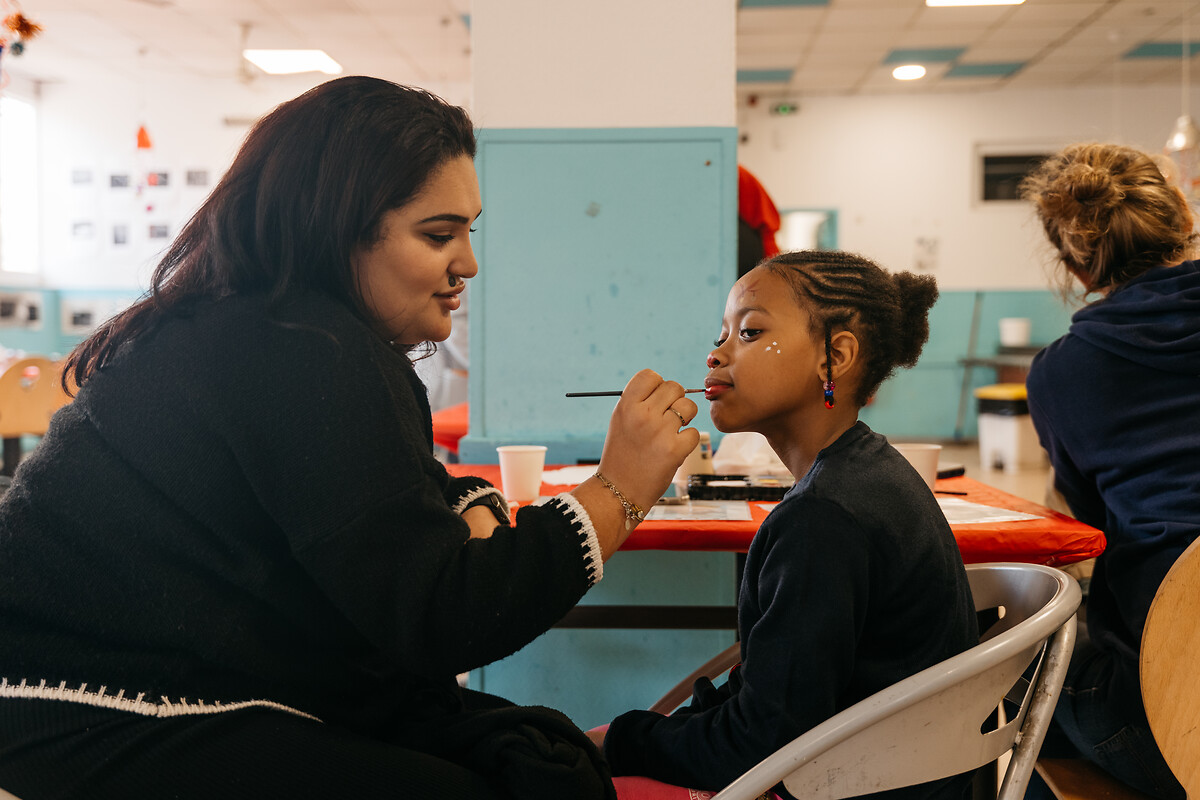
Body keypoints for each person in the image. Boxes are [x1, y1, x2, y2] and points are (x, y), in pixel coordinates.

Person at [0, 76, 700, 800]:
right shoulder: (306, 350)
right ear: (337, 230)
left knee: (531, 752)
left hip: (134, 677)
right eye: (438, 235)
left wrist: (468, 503)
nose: (468, 264)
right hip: (89, 705)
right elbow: (443, 620)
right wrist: (617, 490)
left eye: (469, 231)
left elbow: (381, 498)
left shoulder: (262, 325)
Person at [594, 250, 980, 800]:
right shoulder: (867, 469)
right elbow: (772, 699)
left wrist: (621, 742)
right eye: (721, 333)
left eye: (749, 333)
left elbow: (762, 742)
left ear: (834, 358)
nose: (716, 353)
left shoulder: (822, 520)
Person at [1019, 142, 1199, 800]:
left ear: (1075, 264)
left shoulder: (1065, 371)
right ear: (1182, 215)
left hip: (1168, 723)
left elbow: (1086, 526)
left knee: (1013, 653)